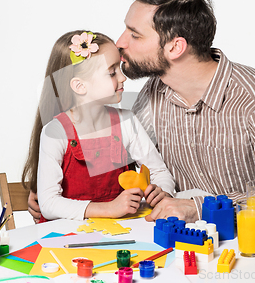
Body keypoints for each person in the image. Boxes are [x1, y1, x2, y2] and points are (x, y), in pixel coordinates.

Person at [28, 0, 255, 239]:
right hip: (204, 245)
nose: (120, 43)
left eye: (134, 35)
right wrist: (57, 195)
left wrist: (200, 207)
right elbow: (116, 158)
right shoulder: (152, 95)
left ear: (174, 47)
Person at [21, 30, 174, 222]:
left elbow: (159, 172)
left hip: (121, 233)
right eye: (112, 72)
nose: (122, 78)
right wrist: (109, 208)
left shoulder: (127, 121)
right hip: (67, 237)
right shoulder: (55, 132)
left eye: (119, 68)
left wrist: (162, 191)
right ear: (79, 86)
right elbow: (49, 204)